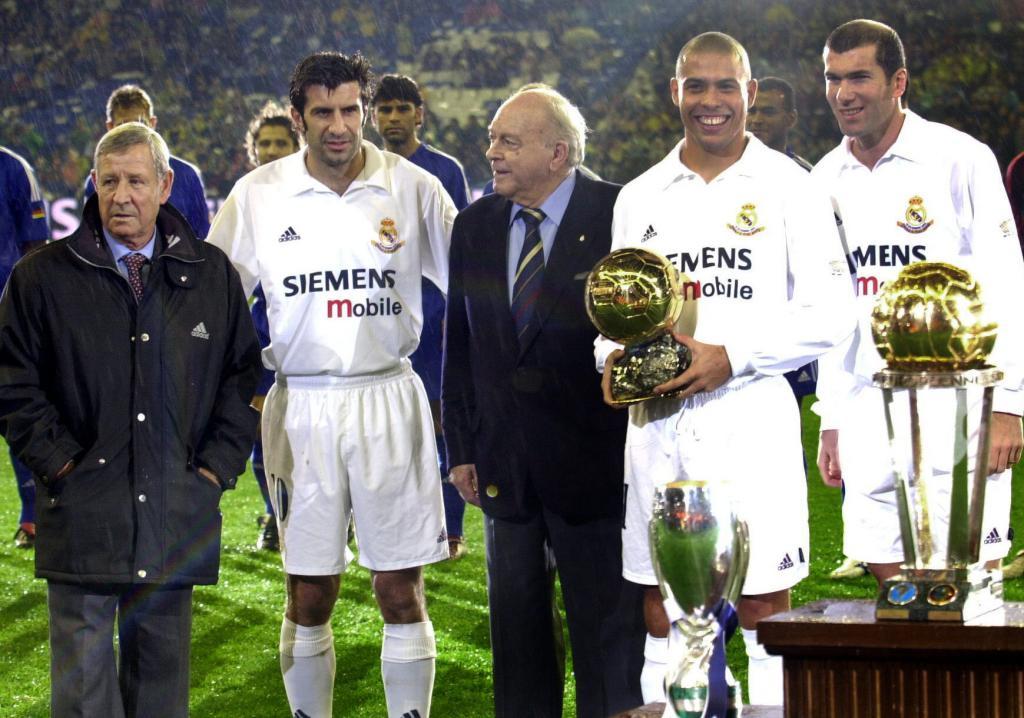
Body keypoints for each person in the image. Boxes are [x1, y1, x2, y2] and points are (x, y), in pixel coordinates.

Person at [597, 32, 855, 706]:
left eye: (725, 86)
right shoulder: (641, 195)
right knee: (662, 605)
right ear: (674, 92)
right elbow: (616, 312)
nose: (710, 100)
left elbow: (832, 314)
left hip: (751, 416)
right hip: (659, 422)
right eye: (696, 85)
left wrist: (732, 357)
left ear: (751, 93)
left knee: (765, 602)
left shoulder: (791, 187)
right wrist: (610, 360)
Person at [207, 51, 456, 718]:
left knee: (400, 589)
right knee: (309, 593)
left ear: (364, 109)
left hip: (388, 396)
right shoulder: (258, 194)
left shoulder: (413, 188)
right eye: (323, 113)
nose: (340, 126)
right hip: (303, 405)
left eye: (350, 110)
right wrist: (235, 390)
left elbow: (470, 289)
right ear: (298, 117)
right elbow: (212, 301)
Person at [0, 122, 261, 717]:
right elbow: (11, 384)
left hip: (175, 514)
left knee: (160, 701)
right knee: (83, 701)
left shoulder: (211, 275)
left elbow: (241, 381)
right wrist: (62, 467)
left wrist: (213, 471)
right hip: (82, 514)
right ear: (93, 184)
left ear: (165, 186)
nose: (122, 196)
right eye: (110, 181)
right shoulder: (42, 277)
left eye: (137, 182)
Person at [442, 84, 645, 718]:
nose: (492, 153)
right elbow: (460, 345)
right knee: (517, 642)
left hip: (596, 464)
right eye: (492, 140)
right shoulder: (475, 224)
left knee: (608, 639)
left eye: (509, 141)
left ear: (558, 153)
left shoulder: (620, 213)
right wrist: (462, 448)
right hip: (504, 465)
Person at [813, 19, 1024, 586]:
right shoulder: (824, 178)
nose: (843, 93)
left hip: (957, 398)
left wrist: (1009, 402)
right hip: (868, 401)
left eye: (860, 77)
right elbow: (832, 309)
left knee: (969, 592)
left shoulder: (959, 158)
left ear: (898, 81)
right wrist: (832, 417)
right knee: (895, 594)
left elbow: (1006, 280)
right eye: (833, 78)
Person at [747, 77, 868, 582]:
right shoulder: (729, 178)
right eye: (755, 111)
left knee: (837, 423)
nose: (758, 120)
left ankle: (858, 538)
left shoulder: (807, 180)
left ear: (791, 120)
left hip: (806, 333)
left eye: (770, 112)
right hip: (756, 336)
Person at [371, 74, 472, 559]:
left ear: (419, 114)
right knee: (389, 429)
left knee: (441, 422)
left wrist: (458, 315)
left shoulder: (443, 171)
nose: (393, 118)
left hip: (435, 317)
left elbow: (460, 250)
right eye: (384, 109)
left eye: (401, 109)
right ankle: (398, 526)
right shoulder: (363, 171)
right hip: (383, 315)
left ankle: (450, 529)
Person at [243, 101, 303, 551]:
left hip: (310, 336)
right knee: (263, 437)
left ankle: (329, 517)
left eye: (280, 142)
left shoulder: (318, 198)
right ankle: (275, 514)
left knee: (312, 438)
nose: (271, 150)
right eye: (264, 143)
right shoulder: (245, 200)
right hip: (263, 336)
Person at [84, 84, 211, 238]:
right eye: (124, 126)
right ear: (110, 127)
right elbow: (93, 238)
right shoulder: (97, 182)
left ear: (153, 123)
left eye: (140, 124)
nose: (133, 133)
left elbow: (202, 237)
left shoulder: (186, 175)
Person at [0, 146, 48, 549]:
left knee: (16, 411)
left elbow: (35, 246)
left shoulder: (14, 168)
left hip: (5, 315)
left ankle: (33, 515)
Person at [746, 77, 813, 170]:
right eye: (751, 111)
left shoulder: (805, 174)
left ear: (791, 119)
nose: (757, 120)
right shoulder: (727, 168)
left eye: (768, 112)